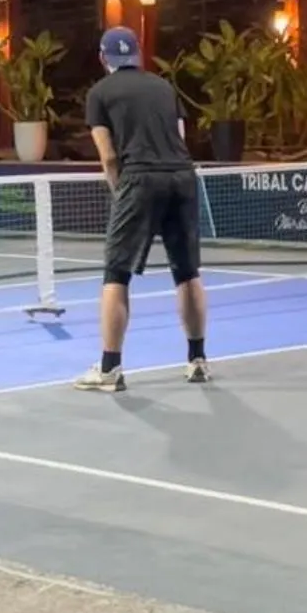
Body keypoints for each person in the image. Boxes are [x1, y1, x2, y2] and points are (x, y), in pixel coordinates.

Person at [75, 27, 209, 392]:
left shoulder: (99, 93)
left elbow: (108, 156)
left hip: (139, 179)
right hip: (181, 177)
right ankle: (197, 360)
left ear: (104, 59)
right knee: (187, 271)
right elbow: (179, 139)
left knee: (115, 274)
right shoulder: (165, 88)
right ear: (138, 53)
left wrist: (121, 193)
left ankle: (109, 369)